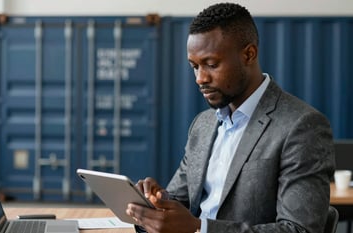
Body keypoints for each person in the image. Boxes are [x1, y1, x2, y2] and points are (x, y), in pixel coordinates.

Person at [126, 2, 335, 233]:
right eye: (194, 66)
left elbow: (300, 230)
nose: (200, 78)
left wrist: (199, 228)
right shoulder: (203, 125)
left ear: (249, 54)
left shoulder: (302, 126)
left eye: (211, 64)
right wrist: (156, 203)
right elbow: (180, 201)